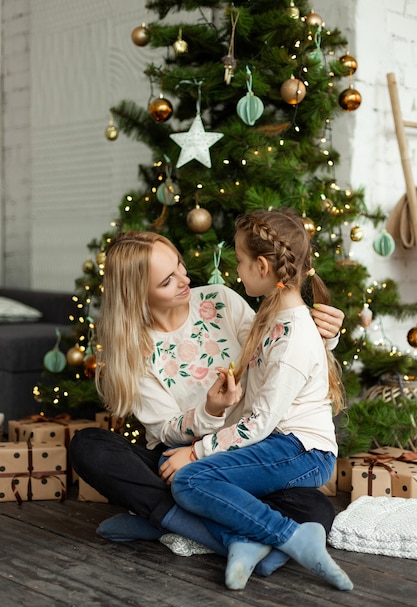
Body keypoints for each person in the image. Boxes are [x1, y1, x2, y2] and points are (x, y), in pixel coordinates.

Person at [69, 229, 344, 576]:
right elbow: (166, 432)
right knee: (88, 446)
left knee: (316, 508)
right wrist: (209, 412)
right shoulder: (132, 351)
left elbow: (278, 353)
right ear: (139, 294)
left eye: (180, 266)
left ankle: (171, 523)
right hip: (180, 460)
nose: (185, 280)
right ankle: (222, 535)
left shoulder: (219, 300)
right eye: (168, 280)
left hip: (248, 453)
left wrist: (325, 337)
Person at [168, 209, 353, 591]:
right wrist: (208, 432)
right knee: (181, 468)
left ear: (264, 265)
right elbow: (253, 412)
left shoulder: (293, 338)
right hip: (276, 442)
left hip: (303, 451)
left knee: (189, 480)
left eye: (239, 260)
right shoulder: (272, 316)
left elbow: (259, 423)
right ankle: (247, 540)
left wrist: (200, 451)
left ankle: (288, 536)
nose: (237, 270)